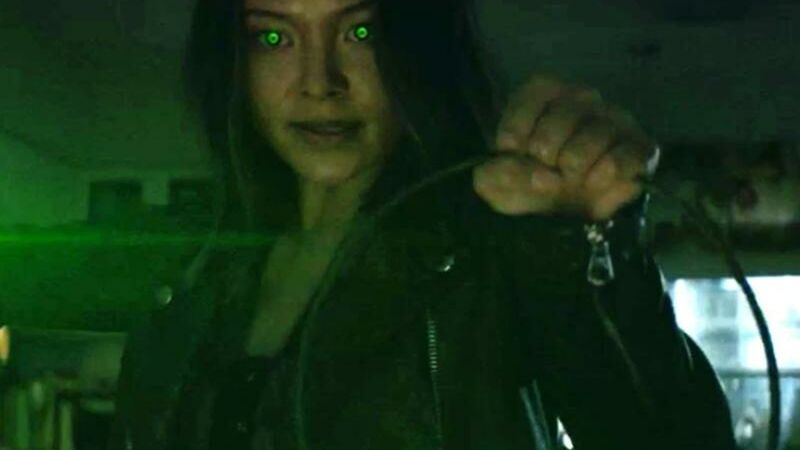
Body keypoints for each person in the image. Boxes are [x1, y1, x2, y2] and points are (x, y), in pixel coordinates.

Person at [109, 0, 737, 449]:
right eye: (273, 38)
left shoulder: (493, 252)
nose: (319, 84)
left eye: (360, 31)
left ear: (415, 46)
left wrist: (595, 245)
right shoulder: (195, 295)